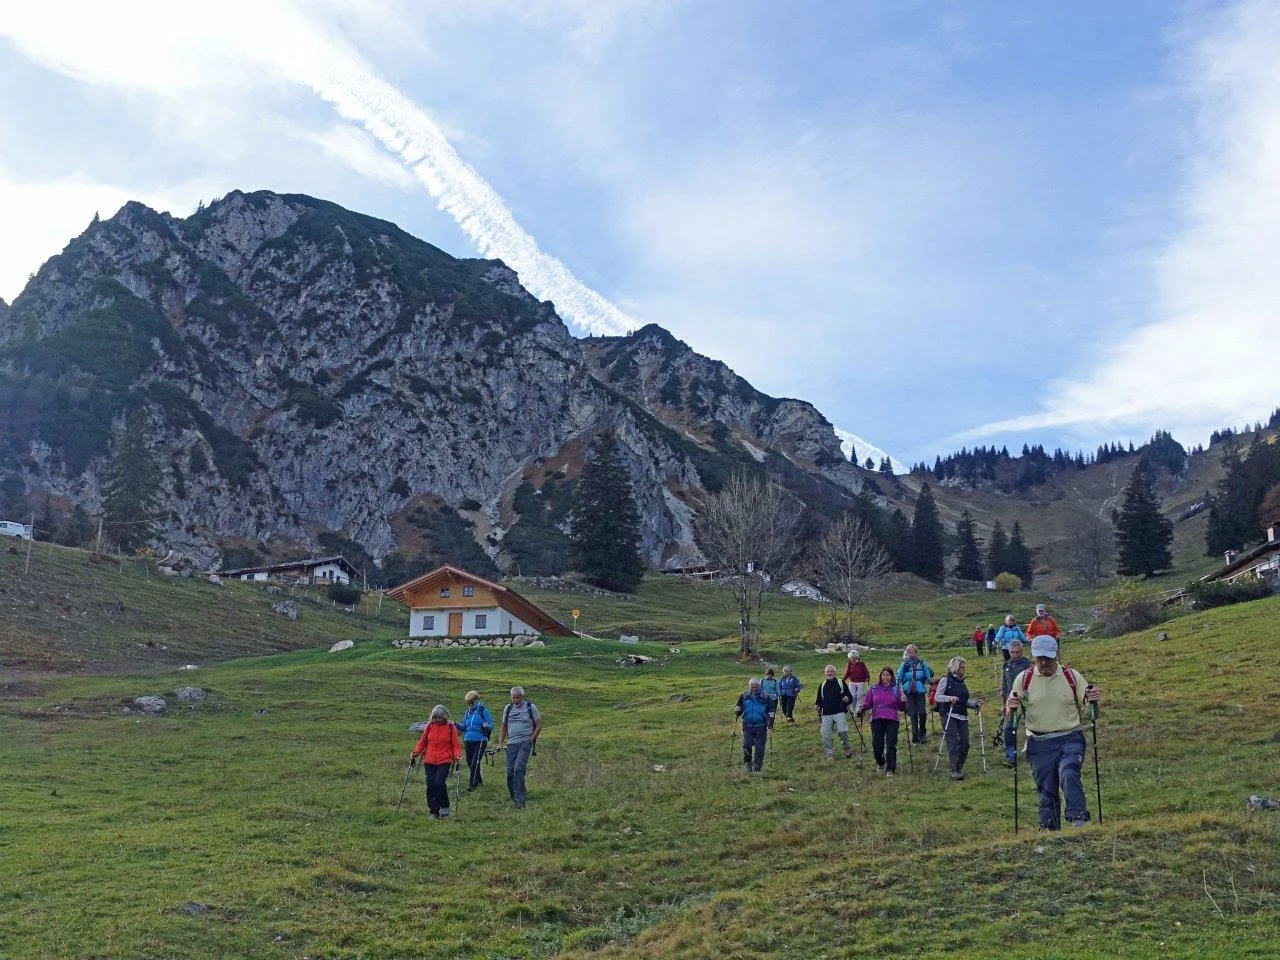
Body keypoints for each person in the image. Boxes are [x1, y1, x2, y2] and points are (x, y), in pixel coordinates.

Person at [1005, 636, 1100, 829]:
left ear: (1056, 655)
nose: (1043, 662)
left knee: (1069, 772)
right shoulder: (1024, 679)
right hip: (1038, 742)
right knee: (1046, 788)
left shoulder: (1071, 676)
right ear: (1033, 656)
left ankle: (1078, 820)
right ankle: (1049, 831)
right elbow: (1012, 717)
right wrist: (1011, 707)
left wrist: (1093, 701)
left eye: (1048, 658)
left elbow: (1092, 714)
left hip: (1070, 737)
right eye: (1039, 658)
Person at [934, 657, 982, 781]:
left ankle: (958, 766)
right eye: (962, 667)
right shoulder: (945, 680)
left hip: (962, 715)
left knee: (965, 743)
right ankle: (954, 770)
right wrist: (950, 698)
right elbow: (937, 696)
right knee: (953, 741)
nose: (964, 670)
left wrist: (974, 704)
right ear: (955, 668)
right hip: (948, 713)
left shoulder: (962, 682)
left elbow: (963, 701)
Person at [411, 704, 463, 819]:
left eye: (440, 717)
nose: (438, 720)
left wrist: (458, 755)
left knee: (439, 783)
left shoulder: (450, 727)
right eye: (435, 717)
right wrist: (415, 752)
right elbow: (423, 741)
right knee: (430, 785)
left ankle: (444, 805)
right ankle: (433, 811)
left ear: (445, 717)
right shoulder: (430, 726)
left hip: (444, 760)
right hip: (429, 760)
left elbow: (455, 744)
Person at [857, 667, 907, 777]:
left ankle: (890, 769)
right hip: (877, 719)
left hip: (892, 719)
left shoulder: (896, 689)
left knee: (891, 744)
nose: (885, 677)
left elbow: (901, 707)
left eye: (888, 675)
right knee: (877, 746)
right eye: (883, 675)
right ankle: (880, 762)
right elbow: (868, 703)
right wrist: (863, 707)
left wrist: (904, 701)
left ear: (891, 677)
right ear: (880, 676)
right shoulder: (873, 688)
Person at [497, 686, 541, 809]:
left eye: (517, 697)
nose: (515, 700)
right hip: (511, 744)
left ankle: (521, 800)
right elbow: (504, 726)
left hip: (525, 742)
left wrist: (530, 740)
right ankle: (514, 797)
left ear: (522, 696)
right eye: (513, 697)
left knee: (518, 769)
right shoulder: (508, 708)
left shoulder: (530, 707)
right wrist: (500, 743)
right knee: (510, 772)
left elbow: (539, 725)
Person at [456, 691, 494, 790]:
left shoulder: (483, 711)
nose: (470, 704)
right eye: (468, 703)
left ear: (476, 700)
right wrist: (457, 725)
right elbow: (464, 727)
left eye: (471, 702)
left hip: (480, 739)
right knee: (469, 762)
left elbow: (491, 724)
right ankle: (479, 781)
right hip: (468, 740)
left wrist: (487, 725)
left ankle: (472, 784)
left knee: (475, 762)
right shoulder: (467, 712)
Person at [735, 678, 775, 772]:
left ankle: (757, 767)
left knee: (760, 748)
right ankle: (748, 764)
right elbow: (739, 709)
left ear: (759, 686)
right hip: (748, 725)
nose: (754, 689)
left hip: (761, 725)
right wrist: (737, 710)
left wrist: (771, 714)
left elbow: (771, 707)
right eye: (752, 687)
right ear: (750, 686)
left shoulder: (765, 696)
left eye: (756, 687)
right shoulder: (744, 696)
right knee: (747, 745)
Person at [815, 665, 854, 761]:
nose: (829, 673)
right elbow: (819, 701)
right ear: (825, 673)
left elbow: (850, 697)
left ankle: (847, 748)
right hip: (826, 713)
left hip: (839, 711)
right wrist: (818, 706)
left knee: (842, 731)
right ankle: (830, 754)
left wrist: (847, 699)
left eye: (831, 671)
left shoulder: (841, 682)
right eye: (828, 672)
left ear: (835, 673)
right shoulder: (822, 685)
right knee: (826, 735)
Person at [897, 645, 934, 746]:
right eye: (909, 652)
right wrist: (899, 690)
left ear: (916, 653)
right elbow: (899, 677)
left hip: (920, 690)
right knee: (913, 714)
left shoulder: (922, 664)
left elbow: (928, 677)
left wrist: (932, 682)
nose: (911, 654)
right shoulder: (904, 665)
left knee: (922, 712)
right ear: (907, 653)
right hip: (908, 691)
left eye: (913, 652)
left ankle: (922, 731)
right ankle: (915, 738)